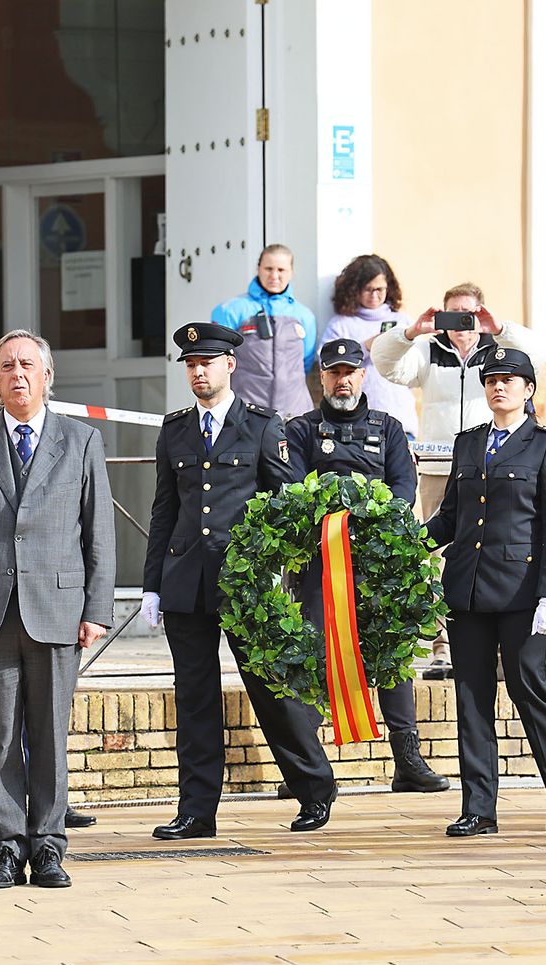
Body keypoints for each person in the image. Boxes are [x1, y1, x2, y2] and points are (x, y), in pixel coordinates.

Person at [0, 330, 115, 890]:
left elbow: (98, 534)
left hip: (57, 608)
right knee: (2, 734)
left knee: (50, 733)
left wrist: (98, 609)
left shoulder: (81, 441)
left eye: (27, 364)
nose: (18, 374)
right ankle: (6, 849)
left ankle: (50, 847)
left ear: (47, 375)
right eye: (7, 366)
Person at [141, 323, 338, 840]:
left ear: (230, 364)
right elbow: (164, 510)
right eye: (190, 363)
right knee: (195, 698)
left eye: (206, 362)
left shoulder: (263, 426)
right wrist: (152, 584)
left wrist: (277, 567)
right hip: (187, 580)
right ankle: (196, 811)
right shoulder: (176, 429)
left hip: (245, 583)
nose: (197, 371)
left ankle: (314, 786)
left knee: (271, 688)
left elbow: (289, 502)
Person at [424, 347, 546, 836]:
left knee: (528, 689)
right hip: (468, 588)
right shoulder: (469, 443)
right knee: (471, 696)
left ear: (529, 390)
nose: (499, 387)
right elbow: (452, 516)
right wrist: (403, 540)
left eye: (509, 380)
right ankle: (478, 809)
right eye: (491, 379)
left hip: (523, 593)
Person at [284, 339, 447, 793]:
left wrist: (361, 518)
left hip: (379, 563)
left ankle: (408, 761)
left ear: (363, 375)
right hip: (319, 561)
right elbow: (295, 488)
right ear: (322, 377)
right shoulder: (300, 430)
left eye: (350, 371)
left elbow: (402, 487)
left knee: (391, 655)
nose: (342, 380)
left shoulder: (389, 428)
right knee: (310, 653)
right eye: (334, 372)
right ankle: (306, 766)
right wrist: (338, 517)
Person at [370, 283, 540, 678]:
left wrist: (499, 329)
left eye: (469, 314)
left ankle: (496, 644)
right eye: (453, 314)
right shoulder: (429, 351)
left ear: (482, 313)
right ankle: (441, 645)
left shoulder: (497, 353)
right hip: (437, 467)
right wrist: (412, 331)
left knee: (493, 547)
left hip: (493, 467)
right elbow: (385, 363)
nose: (461, 324)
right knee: (436, 556)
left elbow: (536, 359)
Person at [317, 253, 419, 436]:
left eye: (380, 289)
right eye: (368, 289)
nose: (374, 295)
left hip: (400, 421)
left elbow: (416, 367)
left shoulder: (402, 321)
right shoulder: (341, 324)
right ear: (354, 290)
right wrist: (366, 346)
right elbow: (323, 362)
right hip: (355, 425)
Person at [210, 244, 315, 417]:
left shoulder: (304, 316)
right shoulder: (230, 310)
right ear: (258, 268)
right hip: (246, 413)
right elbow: (218, 362)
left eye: (281, 270)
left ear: (291, 272)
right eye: (268, 269)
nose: (274, 276)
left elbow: (306, 361)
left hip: (294, 413)